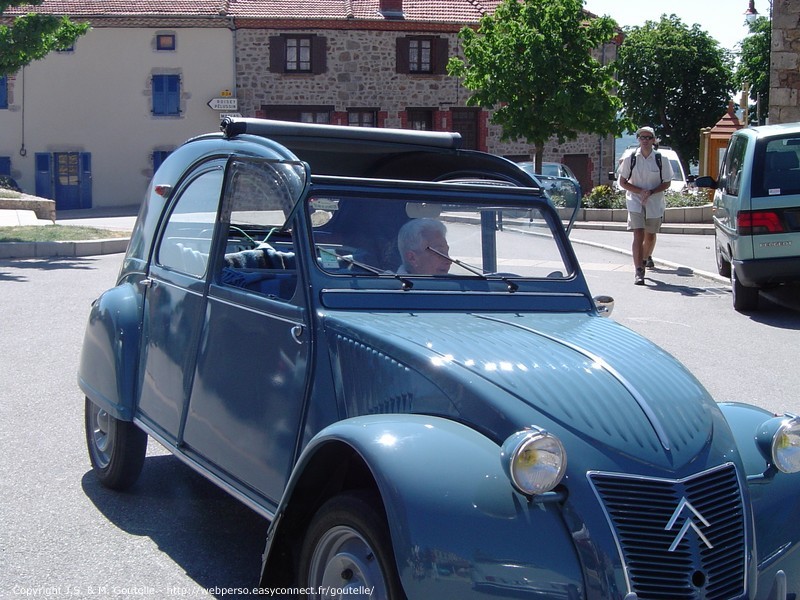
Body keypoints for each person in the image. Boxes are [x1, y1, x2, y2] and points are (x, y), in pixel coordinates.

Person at [618, 126, 673, 285]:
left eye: (649, 137)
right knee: (638, 234)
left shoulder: (661, 159)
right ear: (638, 139)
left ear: (654, 140)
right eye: (642, 137)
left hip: (654, 202)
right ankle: (639, 270)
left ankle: (644, 258)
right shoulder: (631, 159)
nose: (645, 140)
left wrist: (651, 192)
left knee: (650, 235)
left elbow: (667, 182)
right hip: (635, 201)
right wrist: (640, 191)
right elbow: (622, 182)